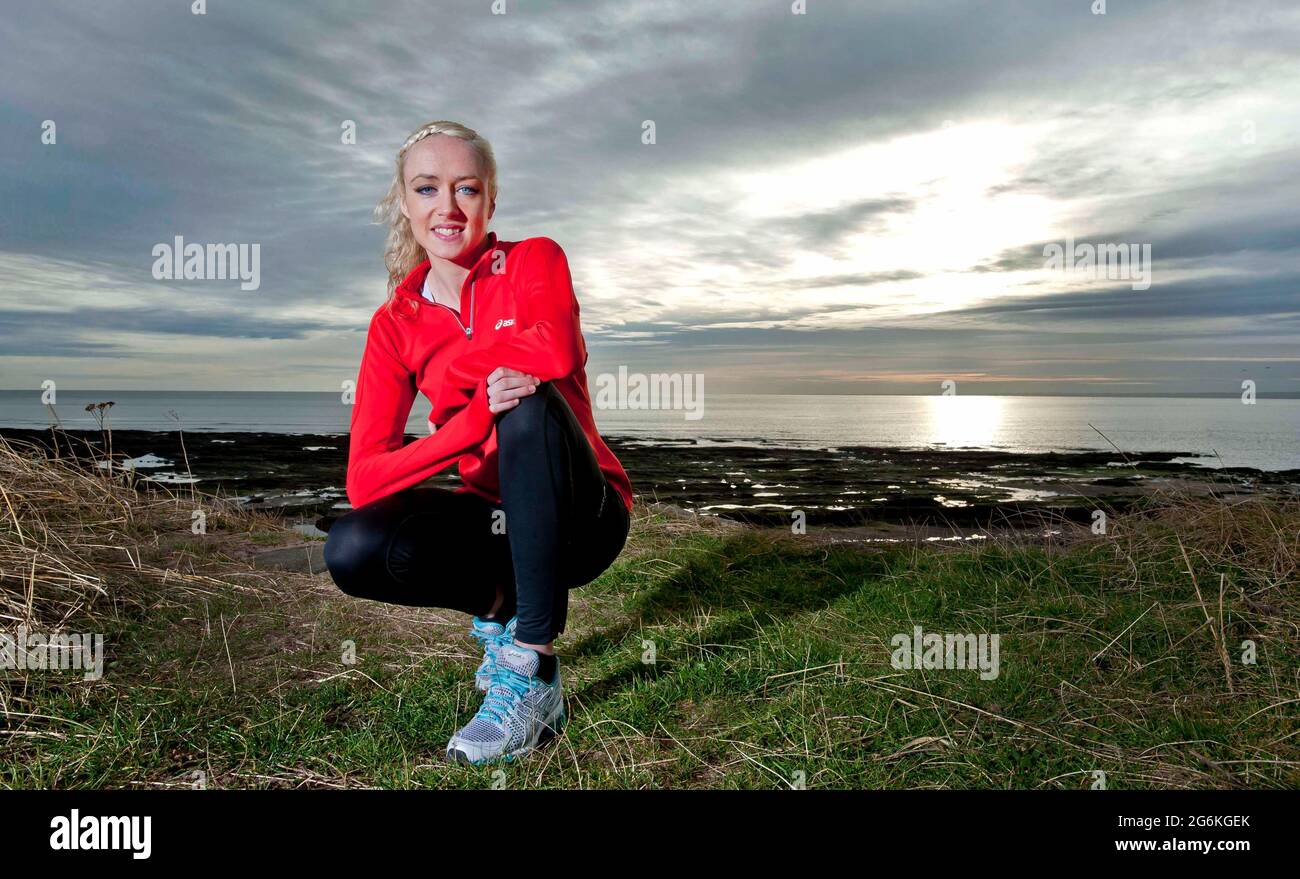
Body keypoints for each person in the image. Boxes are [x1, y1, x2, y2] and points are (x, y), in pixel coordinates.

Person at [323, 120, 633, 765]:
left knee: (523, 402)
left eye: (466, 188)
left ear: (490, 200)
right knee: (353, 546)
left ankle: (532, 667)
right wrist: (464, 427)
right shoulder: (394, 324)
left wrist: (466, 377)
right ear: (403, 204)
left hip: (584, 519)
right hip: (496, 524)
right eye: (427, 188)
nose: (447, 207)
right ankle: (500, 611)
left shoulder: (533, 260)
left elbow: (552, 349)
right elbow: (366, 480)